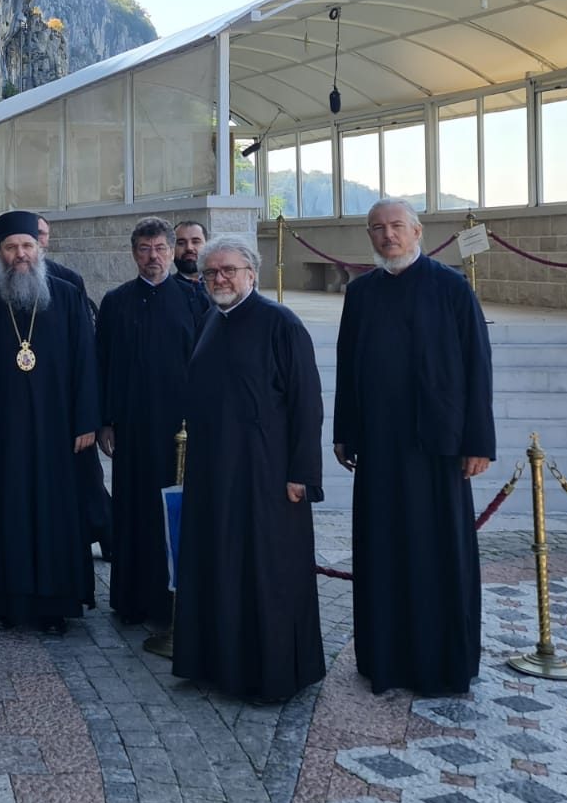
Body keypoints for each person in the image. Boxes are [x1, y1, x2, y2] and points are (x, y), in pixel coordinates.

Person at [334, 198, 495, 696]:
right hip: (380, 450)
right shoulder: (360, 293)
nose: (388, 236)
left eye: (396, 226)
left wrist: (478, 442)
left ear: (418, 230)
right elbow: (347, 365)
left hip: (438, 450)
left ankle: (441, 663)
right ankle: (384, 659)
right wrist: (345, 431)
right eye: (377, 229)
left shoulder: (451, 288)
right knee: (381, 553)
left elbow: (476, 367)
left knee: (438, 554)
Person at [172, 237, 326, 702]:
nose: (220, 279)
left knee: (266, 572)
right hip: (214, 473)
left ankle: (269, 675)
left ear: (252, 273)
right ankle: (215, 663)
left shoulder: (281, 324)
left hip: (267, 474)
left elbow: (307, 404)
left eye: (229, 271)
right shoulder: (208, 322)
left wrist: (302, 474)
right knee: (216, 565)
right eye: (211, 272)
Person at [0, 210, 98, 634]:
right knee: (6, 513)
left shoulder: (68, 293)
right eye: (10, 247)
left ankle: (55, 606)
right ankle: (8, 603)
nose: (19, 254)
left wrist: (86, 421)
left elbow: (86, 362)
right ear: (0, 253)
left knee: (56, 512)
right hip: (2, 430)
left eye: (26, 246)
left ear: (40, 248)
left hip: (58, 431)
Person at [96, 218, 209, 626]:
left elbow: (205, 366)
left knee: (173, 509)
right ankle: (131, 601)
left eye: (161, 248)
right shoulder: (115, 301)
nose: (154, 257)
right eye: (145, 249)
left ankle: (173, 601)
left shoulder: (196, 300)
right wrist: (105, 422)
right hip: (130, 428)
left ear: (172, 250)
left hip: (179, 430)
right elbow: (102, 364)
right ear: (133, 253)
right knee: (132, 511)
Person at [37, 213, 110, 562]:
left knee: (86, 481)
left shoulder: (68, 281)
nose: (30, 242)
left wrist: (88, 418)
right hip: (27, 408)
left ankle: (105, 533)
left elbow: (84, 349)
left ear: (46, 240)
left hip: (66, 404)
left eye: (38, 235)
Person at [174, 220, 209, 301]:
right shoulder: (164, 289)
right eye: (181, 243)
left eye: (195, 242)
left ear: (207, 246)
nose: (189, 248)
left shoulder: (221, 285)